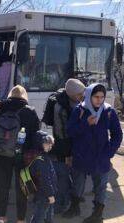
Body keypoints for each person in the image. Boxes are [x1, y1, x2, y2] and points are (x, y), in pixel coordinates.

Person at [63, 83, 123, 223]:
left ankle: (97, 214)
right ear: (89, 95)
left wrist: (109, 152)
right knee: (78, 184)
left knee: (101, 186)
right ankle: (74, 207)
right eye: (96, 97)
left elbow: (117, 135)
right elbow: (70, 131)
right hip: (81, 155)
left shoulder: (108, 112)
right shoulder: (80, 110)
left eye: (102, 97)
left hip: (100, 157)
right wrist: (85, 124)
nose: (99, 100)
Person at [0, 85, 40, 223]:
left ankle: (1, 217)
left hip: (3, 154)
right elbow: (35, 135)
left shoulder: (1, 107)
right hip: (22, 156)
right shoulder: (30, 111)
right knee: (22, 188)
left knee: (3, 186)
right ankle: (21, 219)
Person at [42, 78, 85, 214]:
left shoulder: (76, 101)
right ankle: (62, 204)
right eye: (79, 94)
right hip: (63, 148)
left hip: (75, 146)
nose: (82, 97)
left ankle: (74, 198)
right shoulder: (60, 107)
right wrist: (68, 154)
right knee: (63, 177)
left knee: (77, 175)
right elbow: (61, 133)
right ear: (71, 94)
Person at [29, 131, 58, 223]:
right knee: (39, 217)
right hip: (44, 194)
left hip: (44, 193)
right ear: (40, 144)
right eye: (47, 144)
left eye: (50, 144)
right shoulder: (41, 160)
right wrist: (50, 195)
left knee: (47, 216)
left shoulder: (42, 156)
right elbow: (44, 179)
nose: (50, 146)